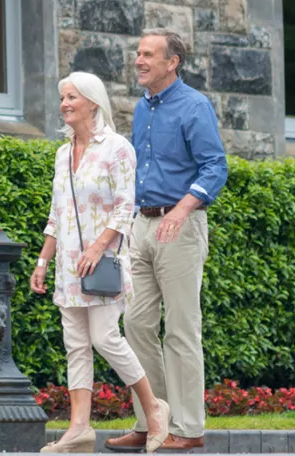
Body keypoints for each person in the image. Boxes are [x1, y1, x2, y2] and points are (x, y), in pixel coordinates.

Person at [32, 72, 171, 454]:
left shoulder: (116, 148)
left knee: (106, 338)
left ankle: (154, 409)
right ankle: (79, 428)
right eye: (62, 97)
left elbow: (127, 207)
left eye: (71, 97)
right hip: (68, 267)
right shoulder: (63, 153)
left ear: (93, 102)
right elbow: (56, 214)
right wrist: (43, 260)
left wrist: (98, 248)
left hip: (103, 262)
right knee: (75, 344)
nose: (64, 104)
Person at [106, 30, 228, 453]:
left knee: (181, 329)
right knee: (136, 324)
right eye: (137, 52)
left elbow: (215, 166)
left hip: (181, 225)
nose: (138, 60)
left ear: (172, 62)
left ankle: (189, 428)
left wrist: (179, 211)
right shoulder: (143, 108)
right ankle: (153, 419)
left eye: (148, 54)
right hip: (142, 226)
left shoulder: (194, 106)